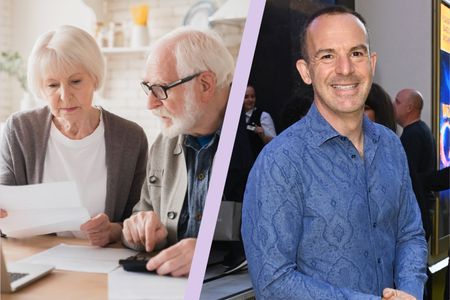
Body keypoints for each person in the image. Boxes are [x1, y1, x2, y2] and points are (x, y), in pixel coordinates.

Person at [241, 6, 427, 300]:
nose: (345, 69)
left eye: (356, 53)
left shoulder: (391, 146)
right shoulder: (280, 162)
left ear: (372, 62)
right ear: (306, 71)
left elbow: (410, 235)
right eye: (327, 55)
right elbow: (273, 282)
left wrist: (409, 292)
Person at [0, 25, 148, 246]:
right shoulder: (19, 130)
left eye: (76, 81)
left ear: (94, 79)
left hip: (103, 259)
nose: (65, 95)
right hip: (35, 257)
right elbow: (6, 217)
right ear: (41, 89)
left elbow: (139, 218)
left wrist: (114, 230)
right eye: (52, 85)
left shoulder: (130, 137)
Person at [122, 27, 235, 277]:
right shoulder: (164, 143)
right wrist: (139, 229)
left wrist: (209, 252)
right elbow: (144, 211)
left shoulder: (258, 142)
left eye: (161, 89)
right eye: (148, 88)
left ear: (205, 84)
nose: (150, 104)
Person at [394, 88, 436, 242]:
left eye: (397, 102)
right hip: (422, 209)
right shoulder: (421, 130)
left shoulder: (412, 135)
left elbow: (409, 179)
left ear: (409, 108)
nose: (393, 105)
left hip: (417, 212)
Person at [244, 84, 277, 159]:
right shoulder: (238, 117)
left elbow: (274, 144)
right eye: (246, 97)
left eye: (253, 96)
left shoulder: (263, 116)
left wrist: (262, 136)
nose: (250, 100)